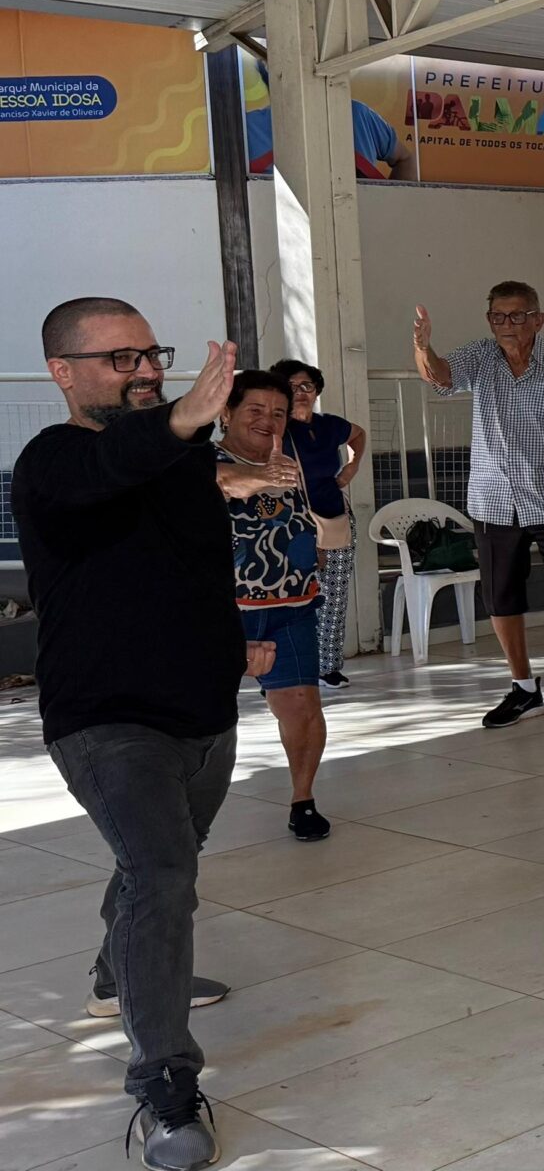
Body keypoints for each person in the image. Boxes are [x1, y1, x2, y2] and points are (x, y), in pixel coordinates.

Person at [14, 303, 251, 1171]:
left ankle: (121, 972)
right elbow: (108, 465)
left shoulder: (180, 459)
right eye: (119, 357)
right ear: (63, 372)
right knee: (160, 872)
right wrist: (184, 418)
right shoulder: (50, 460)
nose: (144, 368)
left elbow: (186, 557)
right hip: (107, 720)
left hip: (204, 712)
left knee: (161, 862)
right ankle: (164, 1088)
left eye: (150, 353)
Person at [413, 283, 544, 742]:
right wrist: (423, 347)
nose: (508, 325)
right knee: (501, 598)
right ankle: (524, 689)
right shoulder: (480, 356)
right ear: (489, 321)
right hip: (493, 500)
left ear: (538, 319)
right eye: (498, 317)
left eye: (517, 316)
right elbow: (441, 377)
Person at [215, 370, 333, 843]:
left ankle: (302, 799)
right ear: (226, 413)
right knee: (202, 720)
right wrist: (257, 477)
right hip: (220, 614)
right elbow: (222, 481)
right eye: (255, 410)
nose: (268, 421)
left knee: (302, 707)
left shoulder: (290, 460)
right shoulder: (199, 461)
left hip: (293, 604)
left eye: (278, 413)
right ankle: (181, 809)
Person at [272, 359, 365, 689]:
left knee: (335, 598)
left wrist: (351, 469)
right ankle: (291, 665)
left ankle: (329, 666)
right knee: (295, 597)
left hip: (335, 517)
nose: (300, 393)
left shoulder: (329, 425)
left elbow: (358, 435)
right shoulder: (276, 429)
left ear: (317, 390)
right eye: (292, 387)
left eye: (306, 386)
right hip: (292, 524)